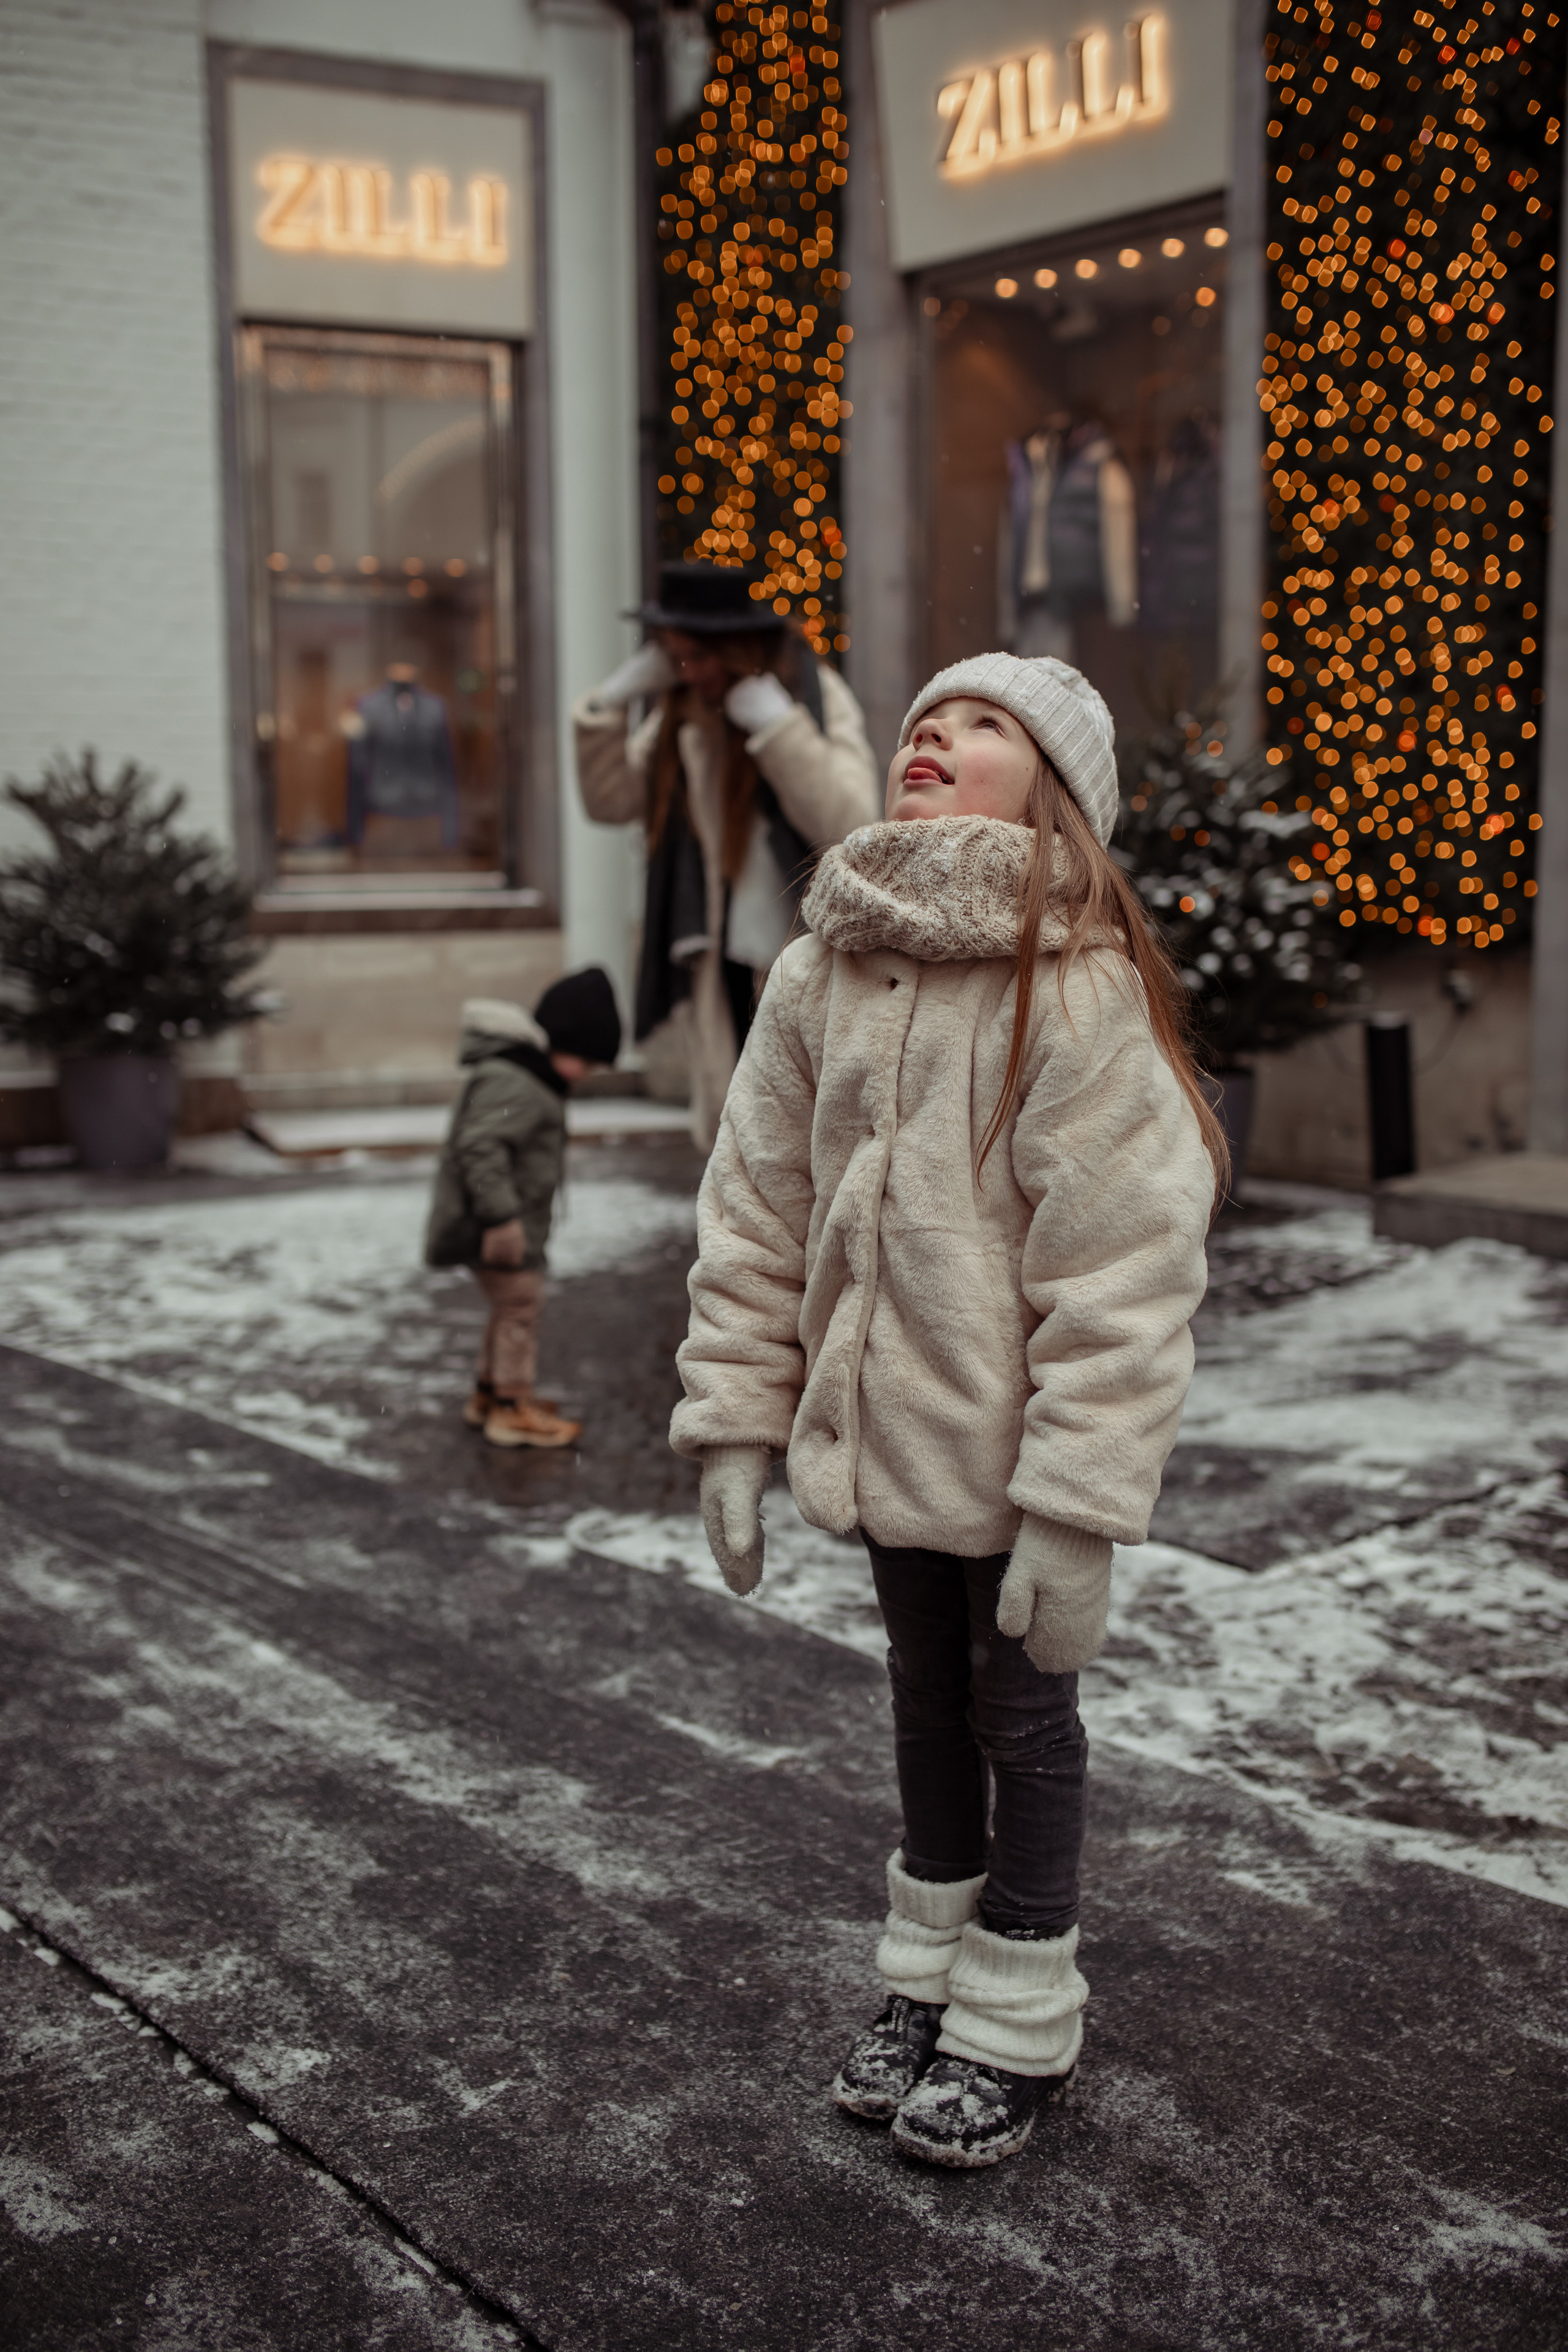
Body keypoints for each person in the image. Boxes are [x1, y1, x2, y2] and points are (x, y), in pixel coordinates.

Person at [668, 652, 1223, 2168]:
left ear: (1053, 792)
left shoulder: (1075, 985)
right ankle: (926, 1975)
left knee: (1022, 1718)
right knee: (924, 1695)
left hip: (1014, 1457)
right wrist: (734, 1417)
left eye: (982, 727)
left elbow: (1121, 1262)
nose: (933, 738)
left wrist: (1077, 1505)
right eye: (924, 719)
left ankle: (1019, 2006)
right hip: (882, 1436)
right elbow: (754, 1206)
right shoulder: (820, 970)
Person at [574, 562, 881, 1150]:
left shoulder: (811, 694)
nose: (691, 672)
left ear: (736, 647)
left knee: (801, 1129)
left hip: (797, 943)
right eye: (675, 657)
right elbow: (611, 800)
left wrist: (778, 727)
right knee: (739, 1129)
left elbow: (851, 823)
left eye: (699, 655)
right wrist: (610, 702)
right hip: (718, 952)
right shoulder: (682, 713)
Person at [424, 970, 621, 1450]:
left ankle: (490, 1395)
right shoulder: (518, 1083)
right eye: (586, 1061)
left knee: (508, 1306)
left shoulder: (524, 1077)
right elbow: (480, 1149)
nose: (586, 1074)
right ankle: (511, 1409)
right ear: (561, 1042)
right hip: (497, 1227)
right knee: (520, 1306)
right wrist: (502, 1220)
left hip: (505, 1223)